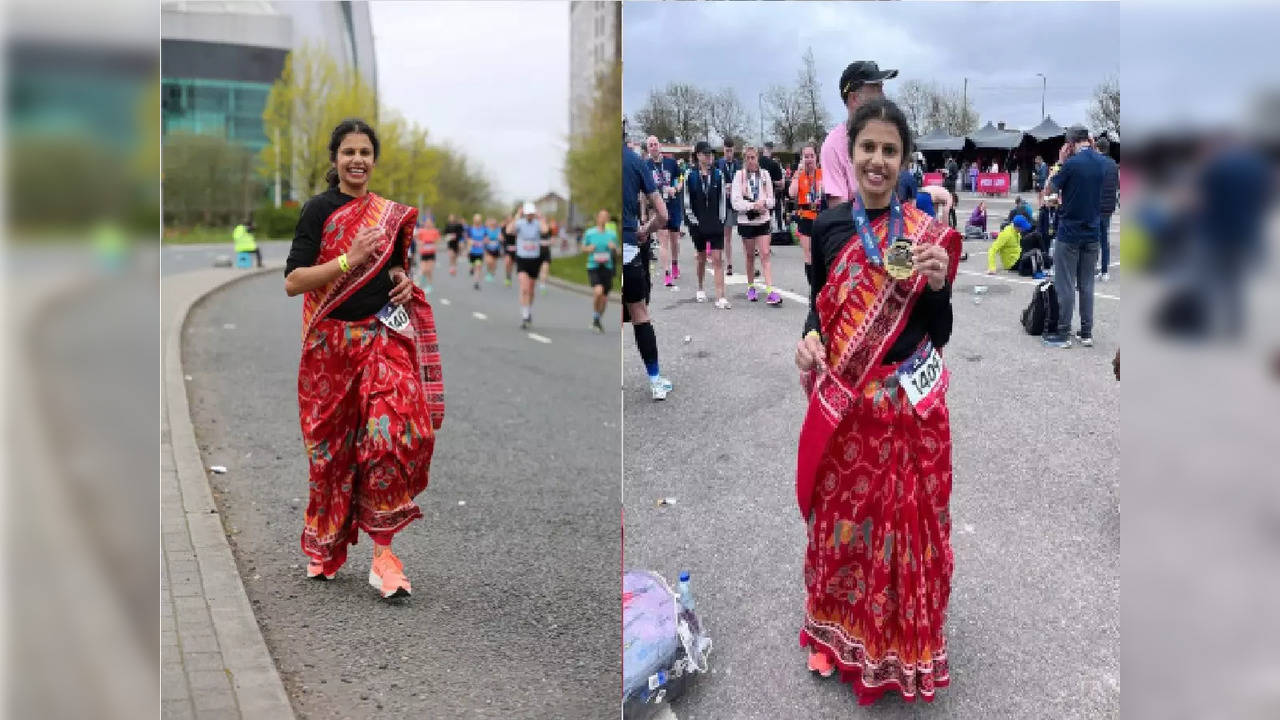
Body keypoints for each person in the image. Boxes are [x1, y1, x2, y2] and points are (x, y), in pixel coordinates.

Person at [793, 97, 961, 703]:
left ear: (903, 160)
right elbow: (819, 304)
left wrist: (939, 284)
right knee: (843, 527)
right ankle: (836, 636)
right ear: (851, 152)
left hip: (909, 406)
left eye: (890, 151)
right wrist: (809, 338)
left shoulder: (922, 232)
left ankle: (902, 648)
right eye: (869, 148)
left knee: (908, 531)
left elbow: (938, 332)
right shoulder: (832, 226)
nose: (878, 161)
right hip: (851, 408)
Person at [283, 118, 444, 599]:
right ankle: (327, 543)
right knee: (331, 457)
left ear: (374, 159)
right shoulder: (318, 210)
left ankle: (383, 554)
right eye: (348, 152)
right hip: (329, 349)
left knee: (392, 435)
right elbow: (294, 282)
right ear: (335, 160)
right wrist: (349, 260)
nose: (357, 160)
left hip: (380, 338)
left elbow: (396, 266)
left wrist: (399, 279)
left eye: (365, 152)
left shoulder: (389, 215)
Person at [1043, 126, 1104, 348]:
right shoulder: (1102, 163)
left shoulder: (1070, 165)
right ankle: (1086, 332)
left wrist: (1059, 162)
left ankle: (1063, 333)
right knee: (1087, 284)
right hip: (1093, 231)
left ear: (1070, 143)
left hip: (1069, 232)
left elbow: (1049, 190)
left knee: (1066, 283)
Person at [622, 145, 674, 400]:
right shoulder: (634, 161)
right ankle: (655, 382)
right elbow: (663, 215)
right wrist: (645, 230)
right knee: (639, 312)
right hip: (627, 247)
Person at [821, 60, 898, 205]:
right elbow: (839, 214)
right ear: (854, 98)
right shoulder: (832, 147)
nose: (883, 96)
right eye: (876, 88)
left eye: (882, 88)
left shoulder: (890, 135)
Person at [731, 144, 781, 306]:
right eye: (747, 158)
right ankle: (751, 286)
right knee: (750, 256)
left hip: (763, 219)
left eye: (753, 157)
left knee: (765, 253)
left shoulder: (765, 175)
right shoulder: (739, 175)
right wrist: (752, 206)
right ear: (744, 159)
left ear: (757, 158)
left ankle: (769, 290)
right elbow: (735, 201)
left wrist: (763, 203)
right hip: (746, 221)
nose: (751, 161)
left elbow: (772, 200)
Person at [684, 140, 729, 308]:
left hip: (715, 222)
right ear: (698, 156)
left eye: (710, 153)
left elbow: (723, 199)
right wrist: (693, 221)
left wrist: (722, 219)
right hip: (698, 223)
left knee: (717, 258)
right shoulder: (690, 175)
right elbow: (687, 201)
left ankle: (720, 296)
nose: (708, 156)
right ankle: (700, 287)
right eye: (705, 153)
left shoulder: (718, 174)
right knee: (701, 257)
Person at [644, 136, 683, 288]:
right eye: (650, 145)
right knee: (663, 239)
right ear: (648, 148)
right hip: (657, 207)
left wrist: (677, 188)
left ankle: (674, 264)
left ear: (659, 146)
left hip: (673, 204)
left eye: (655, 144)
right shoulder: (645, 165)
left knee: (674, 239)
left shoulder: (671, 162)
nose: (653, 147)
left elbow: (680, 177)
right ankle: (667, 273)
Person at [505, 202, 549, 330]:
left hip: (534, 258)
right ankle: (524, 315)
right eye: (527, 213)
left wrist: (540, 217)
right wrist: (517, 216)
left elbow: (545, 230)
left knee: (531, 289)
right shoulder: (519, 223)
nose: (529, 216)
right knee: (524, 288)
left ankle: (528, 310)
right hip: (522, 258)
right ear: (524, 213)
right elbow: (508, 230)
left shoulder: (537, 223)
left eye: (531, 213)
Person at [789, 144, 824, 289]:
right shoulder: (800, 175)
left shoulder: (823, 173)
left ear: (816, 157)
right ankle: (813, 287)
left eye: (811, 156)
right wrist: (798, 173)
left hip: (820, 216)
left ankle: (822, 284)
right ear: (802, 158)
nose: (809, 159)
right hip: (805, 217)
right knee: (808, 253)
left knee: (820, 253)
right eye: (806, 156)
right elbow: (792, 193)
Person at [581, 209, 618, 332]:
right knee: (598, 291)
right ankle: (596, 317)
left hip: (607, 267)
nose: (603, 219)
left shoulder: (612, 234)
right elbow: (583, 248)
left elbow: (618, 251)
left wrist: (614, 248)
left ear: (607, 220)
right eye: (601, 216)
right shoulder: (590, 233)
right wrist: (589, 248)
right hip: (594, 266)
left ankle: (597, 319)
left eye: (605, 217)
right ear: (597, 218)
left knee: (604, 298)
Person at [1096, 136, 1119, 281]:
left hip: (1097, 206)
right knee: (1105, 239)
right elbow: (1116, 185)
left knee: (1093, 240)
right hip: (1109, 207)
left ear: (1098, 148)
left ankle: (1093, 267)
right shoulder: (1113, 165)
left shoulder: (1097, 163)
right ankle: (1105, 271)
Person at [716, 139, 741, 275]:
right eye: (727, 151)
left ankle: (750, 262)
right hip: (725, 203)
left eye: (731, 151)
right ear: (723, 150)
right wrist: (723, 187)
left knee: (745, 235)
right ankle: (729, 264)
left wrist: (734, 187)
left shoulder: (738, 164)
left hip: (737, 203)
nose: (729, 153)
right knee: (727, 236)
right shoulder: (718, 164)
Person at [759, 142, 787, 250]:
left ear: (764, 149)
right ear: (771, 150)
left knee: (759, 220)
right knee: (768, 220)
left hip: (757, 195)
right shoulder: (774, 164)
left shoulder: (756, 162)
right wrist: (773, 183)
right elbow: (781, 184)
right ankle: (766, 246)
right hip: (770, 196)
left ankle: (758, 247)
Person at [415, 216, 440, 293]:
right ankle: (421, 283)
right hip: (424, 253)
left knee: (429, 270)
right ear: (425, 223)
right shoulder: (421, 231)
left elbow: (437, 240)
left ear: (432, 223)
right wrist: (419, 243)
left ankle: (429, 285)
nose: (428, 224)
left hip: (431, 253)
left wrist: (434, 244)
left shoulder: (435, 231)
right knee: (423, 270)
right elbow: (416, 238)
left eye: (430, 222)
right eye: (427, 222)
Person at [465, 213, 486, 290]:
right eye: (476, 220)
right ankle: (471, 268)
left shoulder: (484, 229)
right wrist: (473, 242)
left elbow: (486, 239)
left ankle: (476, 282)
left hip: (480, 252)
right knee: (473, 265)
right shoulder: (470, 229)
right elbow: (467, 239)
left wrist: (483, 242)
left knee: (478, 267)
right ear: (474, 220)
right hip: (472, 251)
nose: (477, 221)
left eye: (479, 220)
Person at [502, 204, 520, 286]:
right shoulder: (504, 227)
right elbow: (505, 234)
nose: (509, 219)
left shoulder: (517, 226)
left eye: (510, 218)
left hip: (515, 248)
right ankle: (507, 276)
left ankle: (509, 276)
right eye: (508, 219)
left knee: (512, 264)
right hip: (507, 247)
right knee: (507, 262)